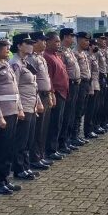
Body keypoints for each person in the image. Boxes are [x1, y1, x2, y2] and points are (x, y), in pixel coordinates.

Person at [0, 39, 24, 195]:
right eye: (5, 48)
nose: (8, 50)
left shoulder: (7, 65)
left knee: (8, 148)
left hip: (13, 111)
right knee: (0, 150)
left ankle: (5, 179)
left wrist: (19, 108)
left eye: (9, 47)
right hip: (3, 113)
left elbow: (15, 90)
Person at [9, 33, 39, 181]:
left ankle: (26, 166)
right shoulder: (15, 63)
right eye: (28, 43)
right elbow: (14, 89)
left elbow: (33, 85)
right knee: (21, 140)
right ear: (19, 45)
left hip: (31, 105)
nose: (31, 45)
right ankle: (19, 168)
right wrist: (19, 108)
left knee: (28, 139)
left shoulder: (25, 62)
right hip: (23, 107)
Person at [27, 31, 53, 171]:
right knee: (37, 129)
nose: (44, 43)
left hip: (45, 94)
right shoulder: (31, 58)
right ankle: (35, 158)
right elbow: (33, 81)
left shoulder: (40, 57)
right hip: (37, 96)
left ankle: (40, 155)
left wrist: (49, 94)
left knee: (43, 129)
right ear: (35, 42)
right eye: (42, 40)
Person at [44, 31, 70, 161]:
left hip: (63, 93)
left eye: (59, 41)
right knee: (53, 123)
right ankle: (50, 149)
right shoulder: (47, 56)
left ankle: (55, 147)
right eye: (56, 41)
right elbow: (48, 78)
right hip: (56, 93)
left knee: (59, 122)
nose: (58, 44)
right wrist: (52, 93)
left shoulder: (56, 55)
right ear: (47, 42)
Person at [58, 28, 80, 154]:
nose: (73, 39)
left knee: (71, 114)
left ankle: (67, 140)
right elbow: (63, 71)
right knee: (66, 115)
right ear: (65, 37)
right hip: (68, 85)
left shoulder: (69, 51)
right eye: (71, 37)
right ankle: (62, 143)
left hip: (75, 84)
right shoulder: (61, 51)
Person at [73, 32, 93, 146]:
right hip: (79, 84)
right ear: (79, 40)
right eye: (85, 40)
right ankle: (74, 135)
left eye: (88, 40)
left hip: (86, 83)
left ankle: (77, 134)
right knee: (77, 110)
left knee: (82, 110)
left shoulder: (84, 53)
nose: (88, 42)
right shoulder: (75, 53)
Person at [84, 38, 101, 139]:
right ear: (90, 46)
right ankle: (88, 130)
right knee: (90, 109)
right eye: (94, 45)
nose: (96, 46)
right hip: (91, 85)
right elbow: (89, 74)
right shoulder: (88, 57)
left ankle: (91, 128)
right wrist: (90, 89)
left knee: (94, 108)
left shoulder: (93, 56)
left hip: (96, 84)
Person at [92, 33, 108, 135]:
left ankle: (99, 124)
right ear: (97, 40)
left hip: (102, 77)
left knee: (101, 103)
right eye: (102, 39)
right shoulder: (95, 52)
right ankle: (94, 126)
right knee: (96, 105)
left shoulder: (101, 51)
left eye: (104, 39)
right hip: (97, 78)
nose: (104, 41)